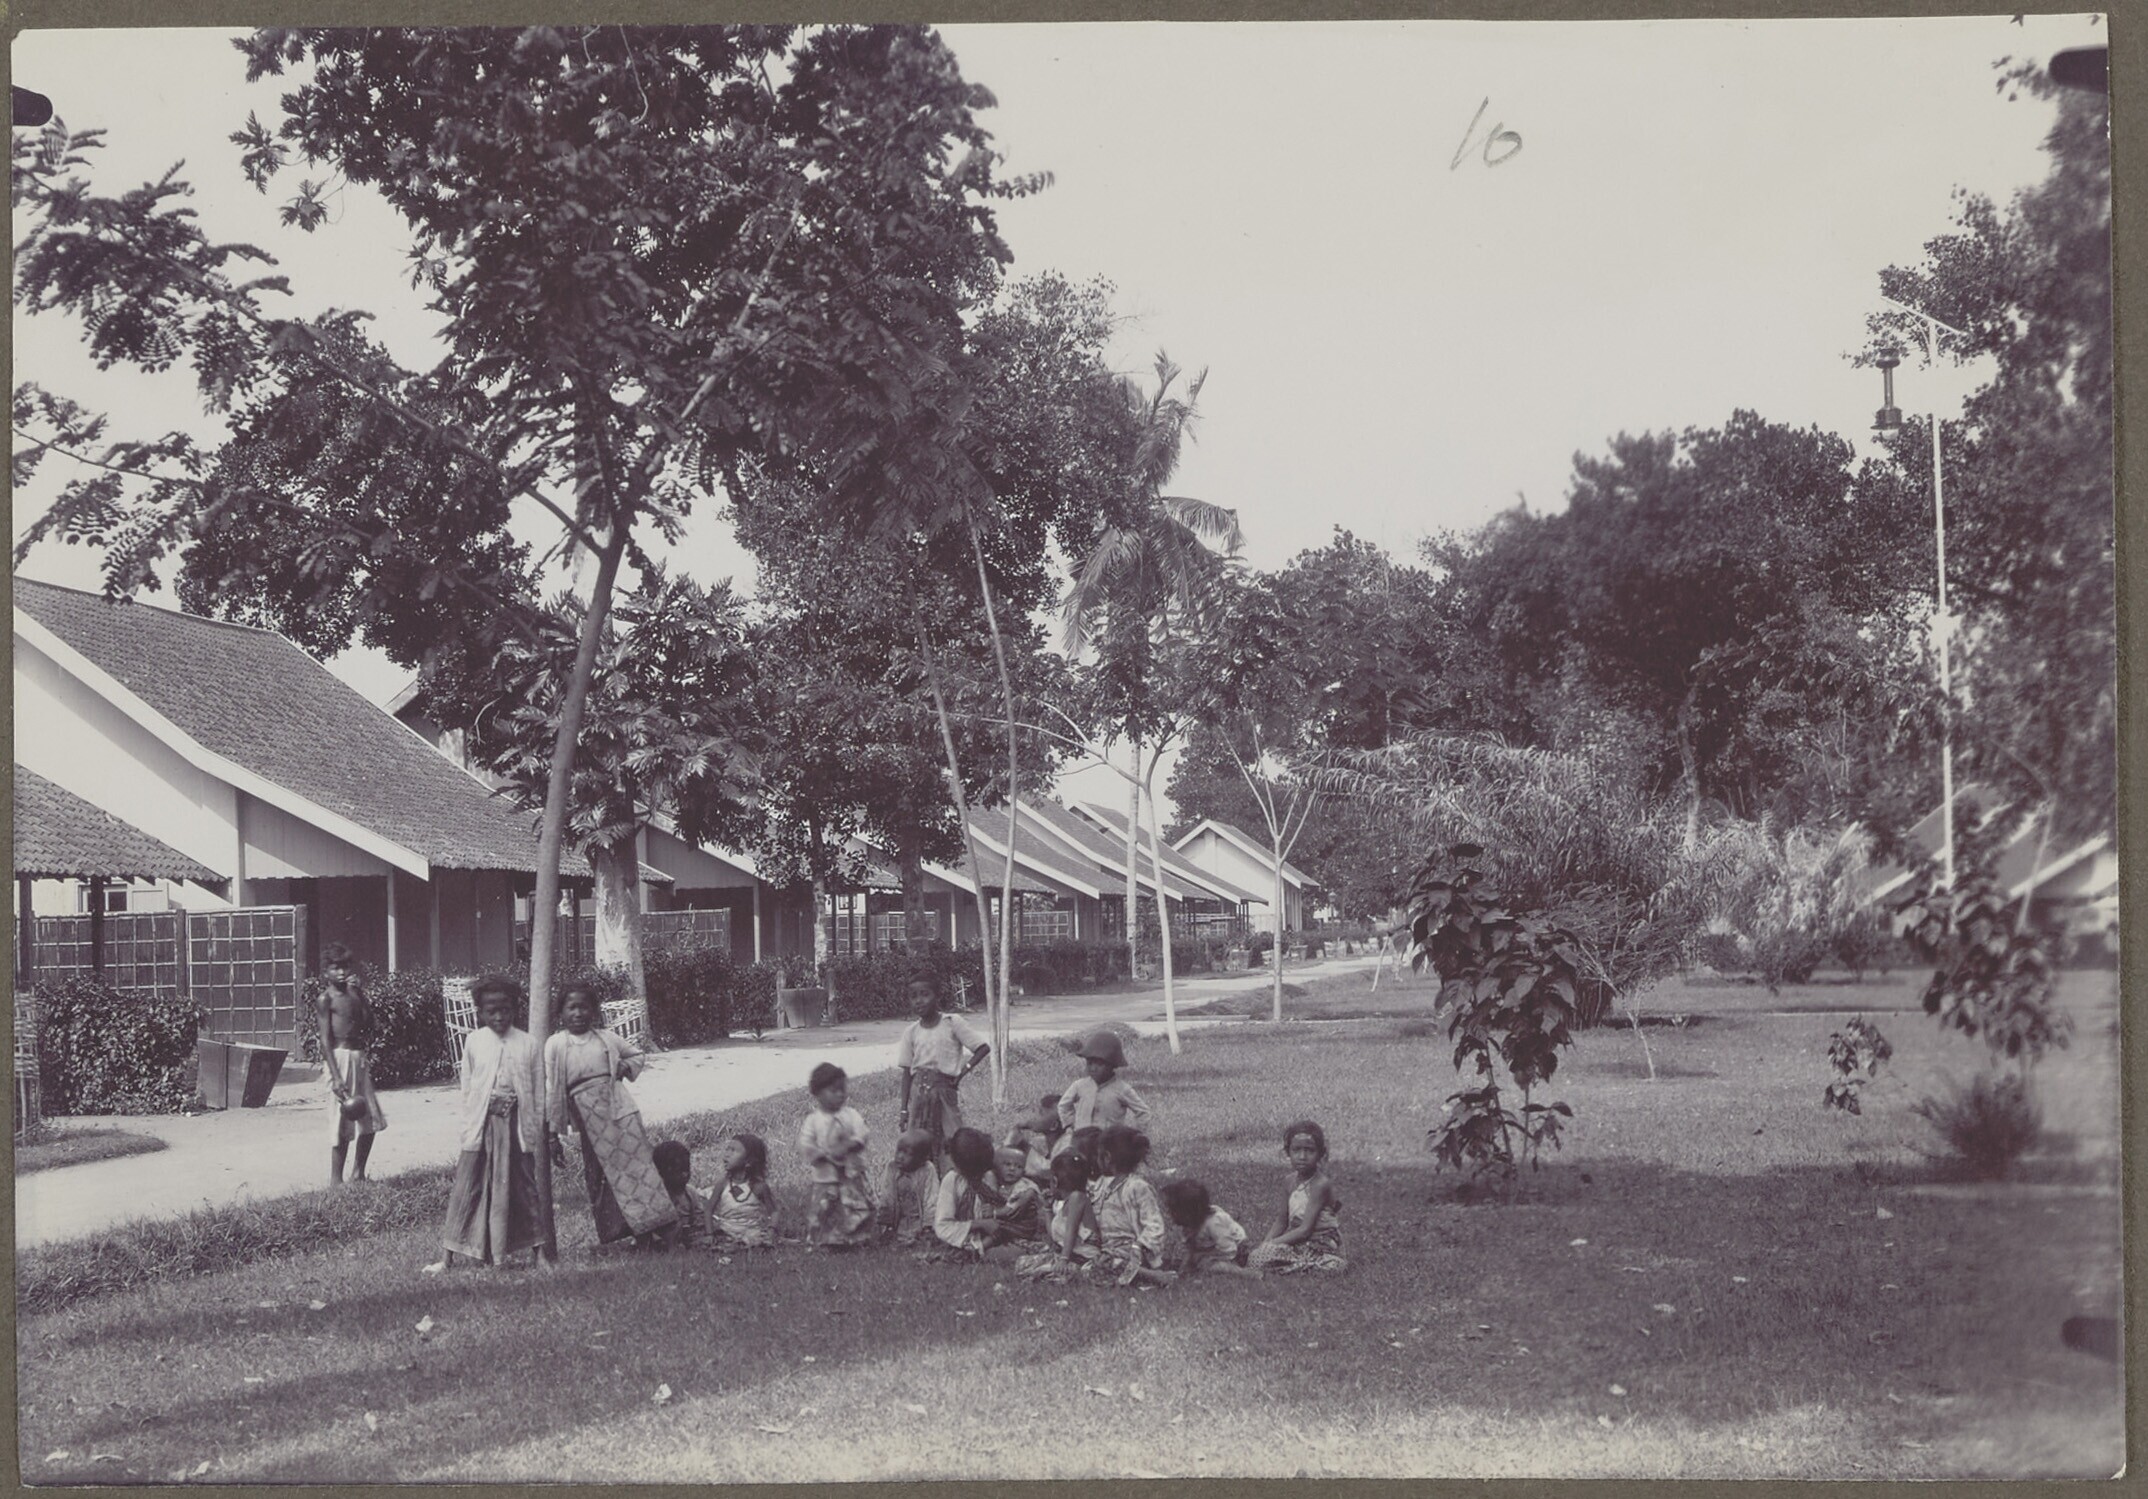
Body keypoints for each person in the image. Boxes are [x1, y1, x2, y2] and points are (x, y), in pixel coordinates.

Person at [546, 984, 676, 1250]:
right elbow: (553, 1089)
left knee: (638, 1170)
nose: (578, 1013)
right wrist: (553, 1134)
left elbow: (637, 1055)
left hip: (621, 1112)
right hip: (588, 1118)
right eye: (572, 1008)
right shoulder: (556, 1044)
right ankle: (631, 1234)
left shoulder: (606, 1038)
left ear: (594, 1011)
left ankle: (658, 1231)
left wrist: (623, 1067)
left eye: (584, 1007)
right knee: (603, 1176)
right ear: (561, 1013)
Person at [441, 976, 545, 1267]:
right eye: (491, 1011)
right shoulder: (474, 1042)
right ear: (480, 1013)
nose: (499, 1017)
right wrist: (470, 1127)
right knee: (469, 1185)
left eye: (505, 1010)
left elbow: (537, 1090)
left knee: (523, 1188)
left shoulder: (528, 1043)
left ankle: (537, 1254)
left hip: (516, 1127)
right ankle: (448, 1257)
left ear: (515, 1009)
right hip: (481, 1126)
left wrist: (533, 1128)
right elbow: (468, 1089)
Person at [895, 977, 989, 1167]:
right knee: (917, 1144)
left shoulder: (952, 1023)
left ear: (937, 996)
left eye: (925, 994)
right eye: (913, 996)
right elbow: (907, 1073)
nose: (919, 1001)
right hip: (919, 1095)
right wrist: (904, 1109)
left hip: (945, 1091)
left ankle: (953, 1179)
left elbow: (982, 1048)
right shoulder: (911, 1032)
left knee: (953, 1141)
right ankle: (925, 1181)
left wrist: (963, 1072)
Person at [318, 942, 385, 1184]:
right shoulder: (326, 999)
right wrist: (336, 1076)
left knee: (369, 1115)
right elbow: (325, 1040)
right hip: (340, 1057)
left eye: (345, 967)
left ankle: (359, 1174)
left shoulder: (353, 994)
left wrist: (361, 995)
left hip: (358, 1056)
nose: (341, 972)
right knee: (342, 1118)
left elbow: (369, 1024)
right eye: (335, 968)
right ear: (326, 971)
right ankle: (336, 1180)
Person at [1246, 1119, 1346, 1274]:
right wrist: (1265, 1245)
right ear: (1288, 1152)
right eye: (1296, 1150)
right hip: (1299, 1245)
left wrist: (1272, 1245)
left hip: (1323, 1247)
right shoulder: (1289, 1181)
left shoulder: (1320, 1184)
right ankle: (1298, 1266)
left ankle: (1300, 1266)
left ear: (1320, 1153)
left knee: (1333, 1266)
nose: (1302, 1156)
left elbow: (1305, 1230)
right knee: (1256, 1258)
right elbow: (1281, 1221)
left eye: (1309, 1151)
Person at [799, 1062, 876, 1247]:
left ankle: (856, 1236)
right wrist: (818, 1154)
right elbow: (805, 1142)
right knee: (824, 1208)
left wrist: (851, 1145)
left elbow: (862, 1133)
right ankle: (825, 1238)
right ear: (818, 1093)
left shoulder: (851, 1115)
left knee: (856, 1205)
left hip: (851, 1173)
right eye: (834, 1091)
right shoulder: (814, 1120)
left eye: (843, 1089)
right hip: (826, 1176)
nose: (840, 1094)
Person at [1053, 1030, 1150, 1157]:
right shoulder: (1079, 1086)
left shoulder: (1122, 1089)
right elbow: (1064, 1105)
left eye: (1099, 1064)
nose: (1093, 1068)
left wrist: (1134, 1136)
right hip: (1081, 1142)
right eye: (1089, 1063)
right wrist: (1070, 1126)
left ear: (1112, 1064)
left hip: (1109, 1144)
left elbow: (1143, 1112)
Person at [929, 1126, 1005, 1260]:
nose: (978, 1175)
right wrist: (980, 1224)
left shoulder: (987, 1176)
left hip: (990, 1235)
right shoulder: (952, 1180)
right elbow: (942, 1226)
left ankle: (981, 1248)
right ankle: (973, 1251)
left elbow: (999, 1204)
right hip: (961, 1236)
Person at [1159, 1178, 1256, 1277]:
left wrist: (1207, 1256)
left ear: (1189, 1212)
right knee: (1198, 1263)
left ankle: (1247, 1273)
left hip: (1237, 1251)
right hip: (1213, 1249)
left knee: (1213, 1267)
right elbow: (1192, 1249)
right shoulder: (1191, 1224)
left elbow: (1230, 1251)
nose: (1170, 1214)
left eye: (1174, 1211)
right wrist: (1184, 1269)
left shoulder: (1214, 1222)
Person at [708, 1133, 778, 1250]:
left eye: (733, 1151)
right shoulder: (722, 1184)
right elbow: (709, 1209)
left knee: (757, 1239)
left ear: (748, 1162)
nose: (727, 1154)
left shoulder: (759, 1187)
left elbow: (774, 1211)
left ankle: (748, 1244)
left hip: (751, 1232)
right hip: (726, 1231)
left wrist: (772, 1229)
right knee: (719, 1239)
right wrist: (709, 1234)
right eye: (727, 1149)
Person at [881, 1128, 940, 1249]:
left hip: (919, 1219)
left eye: (907, 1153)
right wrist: (886, 1222)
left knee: (921, 1240)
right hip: (900, 1220)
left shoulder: (927, 1170)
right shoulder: (892, 1168)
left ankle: (923, 1234)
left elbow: (931, 1199)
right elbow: (887, 1196)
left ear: (922, 1158)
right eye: (898, 1151)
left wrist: (928, 1226)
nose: (900, 1157)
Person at [983, 1145, 1047, 1253]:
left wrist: (994, 1213)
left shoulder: (1021, 1186)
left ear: (1024, 1171)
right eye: (1007, 1164)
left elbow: (1011, 1209)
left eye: (1018, 1167)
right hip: (1011, 1221)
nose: (1012, 1169)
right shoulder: (1000, 1183)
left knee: (997, 1229)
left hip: (1024, 1226)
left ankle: (978, 1248)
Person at [651, 1141, 708, 1252]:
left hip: (685, 1236)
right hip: (659, 1239)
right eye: (679, 1171)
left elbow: (699, 1217)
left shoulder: (690, 1193)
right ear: (662, 1172)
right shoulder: (656, 1196)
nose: (685, 1175)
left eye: (687, 1170)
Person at [1002, 1095, 1065, 1186]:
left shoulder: (1067, 1145)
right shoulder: (1039, 1142)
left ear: (1053, 1126)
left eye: (1041, 1113)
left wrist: (1024, 1146)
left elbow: (1049, 1171)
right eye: (1035, 1111)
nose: (1034, 1116)